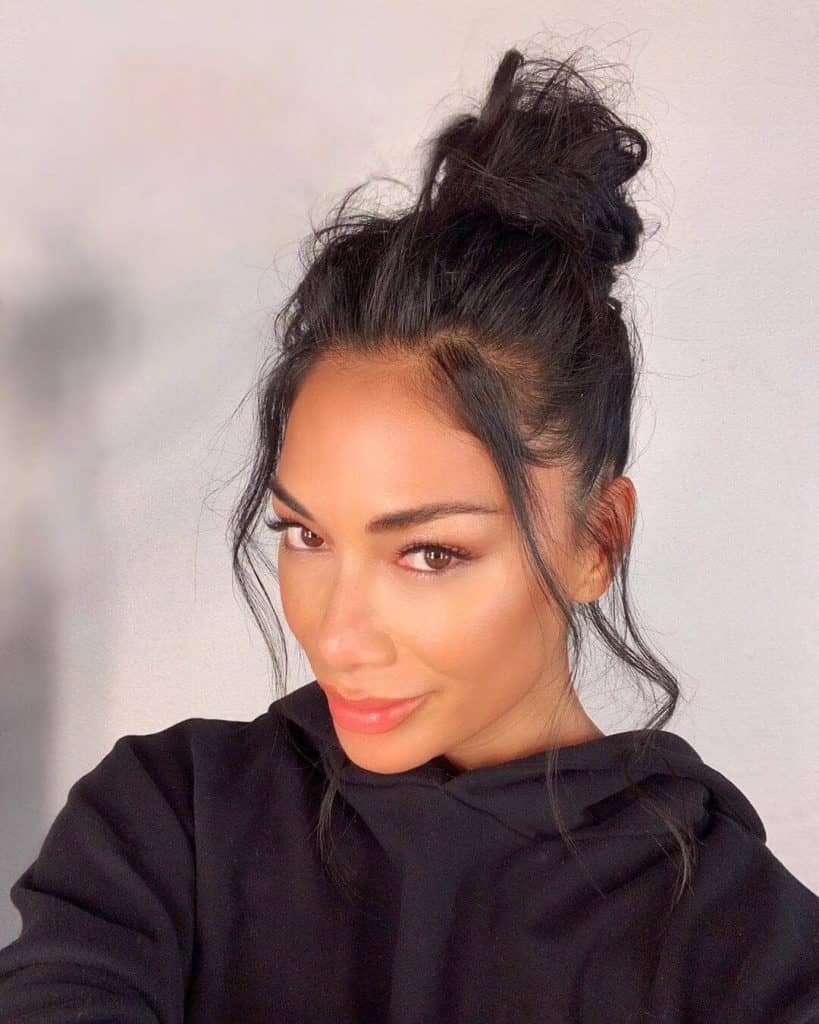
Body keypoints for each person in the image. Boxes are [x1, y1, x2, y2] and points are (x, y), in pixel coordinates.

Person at [1, 44, 817, 1024]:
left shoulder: (739, 953)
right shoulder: (166, 826)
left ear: (597, 538)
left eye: (429, 553)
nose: (338, 634)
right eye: (305, 534)